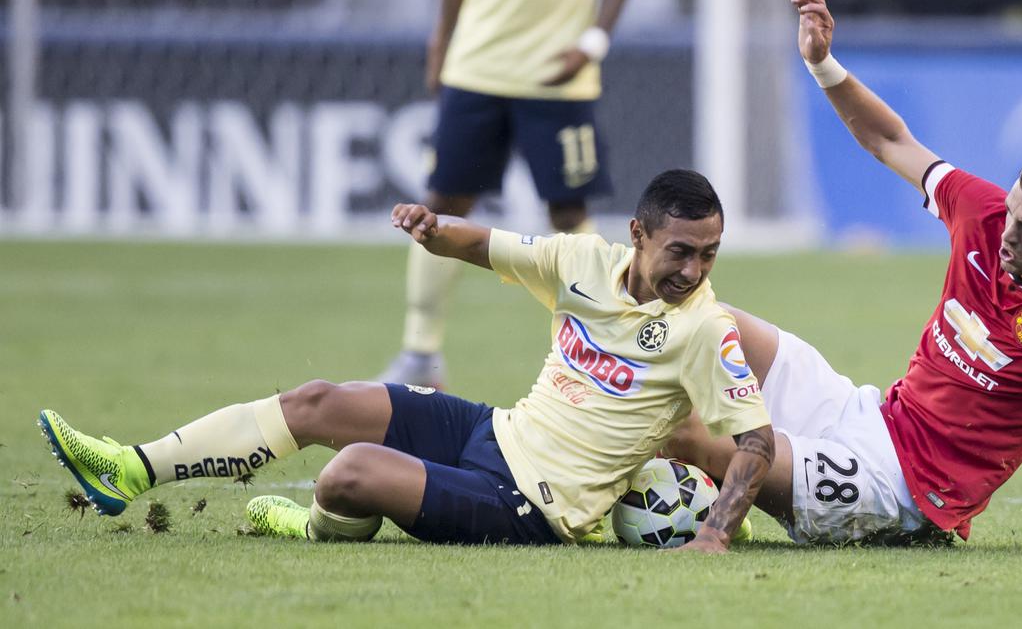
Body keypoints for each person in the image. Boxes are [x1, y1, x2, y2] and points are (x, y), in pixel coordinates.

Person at [39, 170, 773, 553]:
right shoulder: (582, 260)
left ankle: (313, 529)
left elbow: (754, 442)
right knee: (323, 401)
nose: (694, 269)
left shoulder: (704, 329)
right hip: (495, 433)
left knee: (350, 469)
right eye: (680, 250)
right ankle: (129, 469)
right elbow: (483, 244)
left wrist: (712, 534)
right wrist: (431, 230)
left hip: (531, 508)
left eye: (709, 253)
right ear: (638, 234)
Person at [667, 0, 1022, 556]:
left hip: (900, 491)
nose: (1008, 234)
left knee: (685, 435)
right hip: (867, 413)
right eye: (1012, 213)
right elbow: (892, 140)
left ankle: (598, 499)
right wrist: (823, 63)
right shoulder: (983, 212)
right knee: (704, 320)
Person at [381, 0, 644, 387]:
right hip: (475, 70)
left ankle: (599, 347)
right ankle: (420, 352)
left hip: (556, 78)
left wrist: (592, 44)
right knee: (441, 205)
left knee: (568, 212)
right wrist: (440, 40)